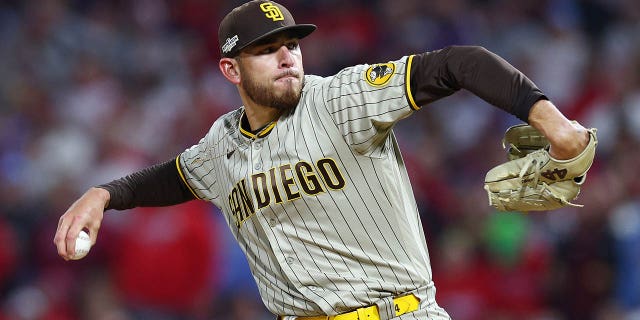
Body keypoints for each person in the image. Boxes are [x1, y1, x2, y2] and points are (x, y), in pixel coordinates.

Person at [54, 1, 592, 319]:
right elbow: (171, 178)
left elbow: (460, 63)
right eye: (267, 49)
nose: (287, 56)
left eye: (292, 43)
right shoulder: (221, 145)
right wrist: (104, 194)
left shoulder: (339, 98)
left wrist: (550, 120)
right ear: (230, 70)